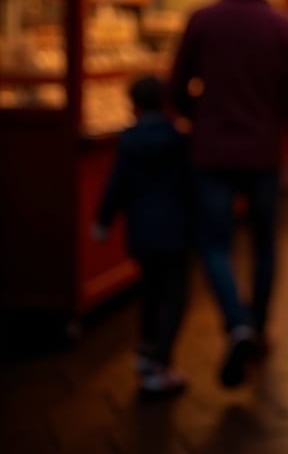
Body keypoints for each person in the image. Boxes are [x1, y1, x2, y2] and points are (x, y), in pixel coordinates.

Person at [169, 0, 288, 387]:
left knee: (214, 244)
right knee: (265, 244)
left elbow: (175, 86)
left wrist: (200, 119)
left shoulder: (203, 20)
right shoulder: (279, 26)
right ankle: (258, 328)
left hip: (212, 152)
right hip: (263, 152)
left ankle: (236, 324)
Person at [92, 76, 192, 396]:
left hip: (142, 232)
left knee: (149, 294)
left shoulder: (129, 141)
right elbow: (192, 185)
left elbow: (116, 186)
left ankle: (146, 353)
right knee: (175, 298)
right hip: (176, 231)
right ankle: (161, 361)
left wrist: (103, 222)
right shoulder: (179, 140)